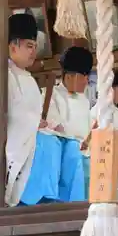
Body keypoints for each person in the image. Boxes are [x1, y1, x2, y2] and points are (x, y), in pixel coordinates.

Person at [20, 46, 92, 205]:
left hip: (85, 152)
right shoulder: (50, 95)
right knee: (71, 150)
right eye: (84, 76)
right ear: (71, 76)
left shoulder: (85, 101)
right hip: (63, 149)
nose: (87, 82)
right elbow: (55, 128)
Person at [4, 14, 43, 207]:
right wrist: (36, 123)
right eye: (29, 46)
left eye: (35, 46)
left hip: (31, 144)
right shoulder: (5, 74)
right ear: (13, 46)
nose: (33, 51)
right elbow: (12, 114)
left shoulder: (30, 79)